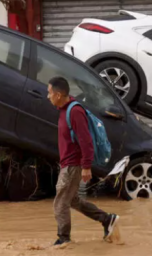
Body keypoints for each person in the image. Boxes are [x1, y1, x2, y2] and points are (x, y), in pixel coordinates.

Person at [47, 76, 121, 246]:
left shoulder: (74, 111)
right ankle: (107, 219)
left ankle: (63, 239)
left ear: (58, 95)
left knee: (60, 202)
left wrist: (86, 167)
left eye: (49, 93)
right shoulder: (65, 110)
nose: (47, 96)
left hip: (73, 165)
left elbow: (86, 141)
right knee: (72, 200)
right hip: (68, 164)